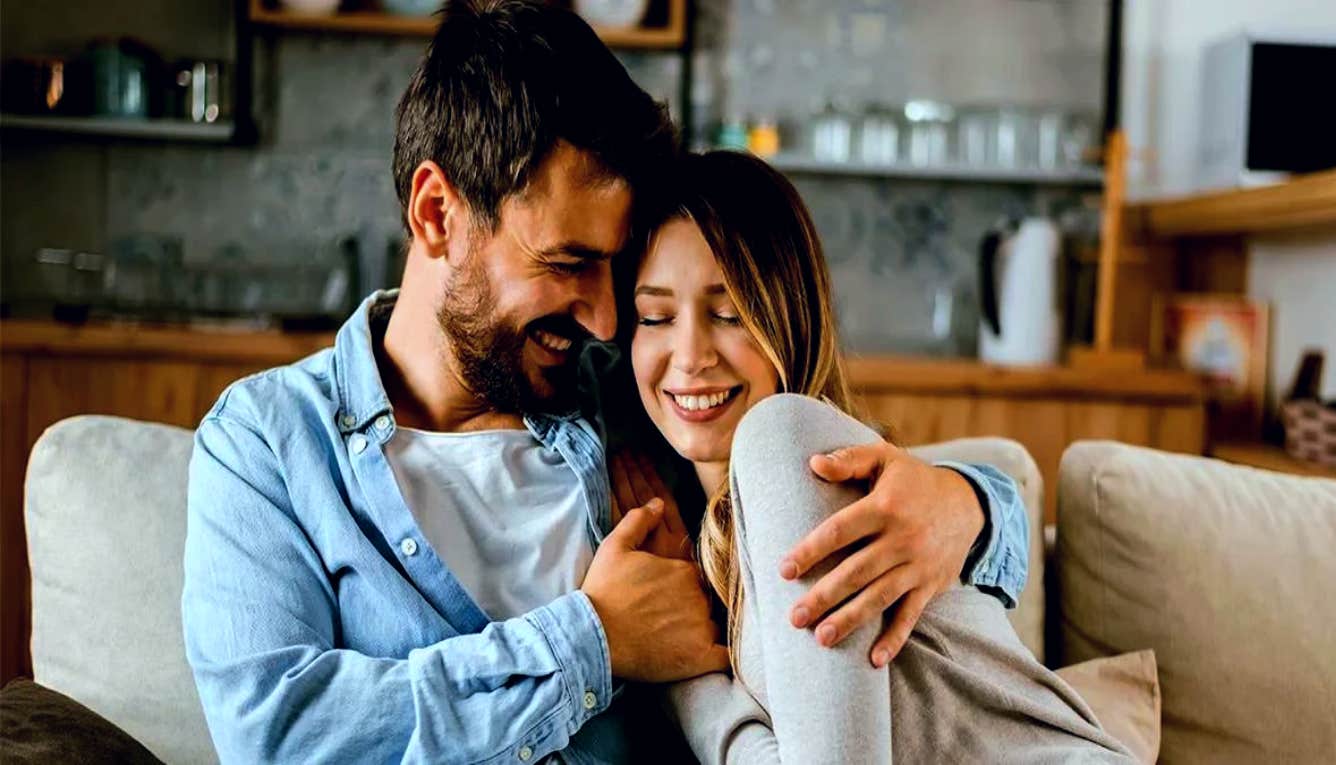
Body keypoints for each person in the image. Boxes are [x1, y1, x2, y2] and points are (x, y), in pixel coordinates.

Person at [181, 2, 1029, 762]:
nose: (602, 317)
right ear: (438, 214)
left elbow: (850, 492)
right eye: (568, 262)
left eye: (616, 272)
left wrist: (970, 505)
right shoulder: (267, 442)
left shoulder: (634, 393)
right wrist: (595, 639)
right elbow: (278, 732)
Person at [616, 151, 1134, 763]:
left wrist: (685, 682)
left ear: (791, 317)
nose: (689, 354)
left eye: (730, 313)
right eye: (655, 317)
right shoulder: (704, 529)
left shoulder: (785, 442)